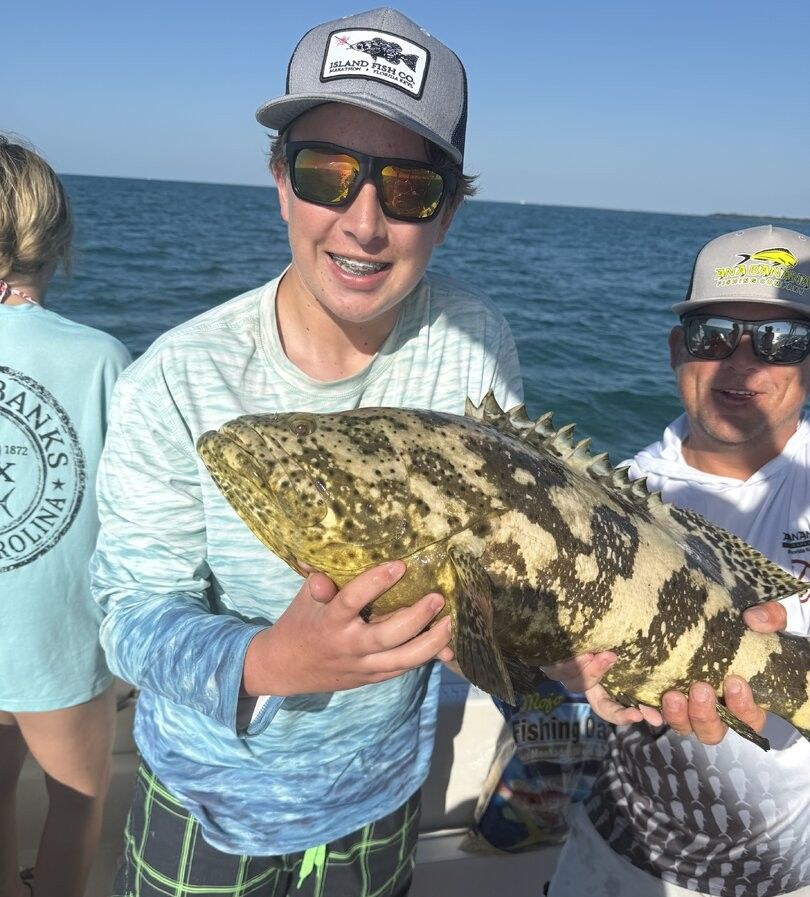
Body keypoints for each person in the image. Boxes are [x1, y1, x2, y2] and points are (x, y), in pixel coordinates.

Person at [90, 8, 523, 896]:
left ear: (448, 212)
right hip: (208, 811)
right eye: (327, 174)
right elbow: (130, 612)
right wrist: (271, 663)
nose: (363, 223)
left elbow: (506, 559)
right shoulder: (175, 379)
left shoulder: (474, 344)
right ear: (280, 183)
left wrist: (562, 656)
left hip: (382, 800)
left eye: (408, 189)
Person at [545, 224, 810, 897]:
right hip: (613, 853)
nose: (741, 362)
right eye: (713, 333)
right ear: (675, 350)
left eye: (781, 341)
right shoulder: (608, 497)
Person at [0, 137, 131, 897]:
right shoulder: (105, 358)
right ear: (60, 243)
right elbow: (132, 512)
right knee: (76, 805)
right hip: (62, 646)